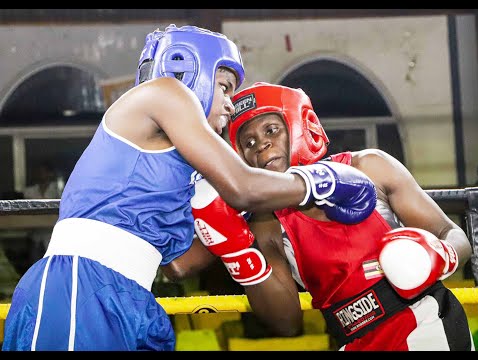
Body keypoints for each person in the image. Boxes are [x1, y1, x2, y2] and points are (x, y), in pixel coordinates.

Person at [2, 26, 376, 351]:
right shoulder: (164, 93)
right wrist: (322, 182)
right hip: (81, 285)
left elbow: (181, 264)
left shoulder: (183, 165)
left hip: (131, 295)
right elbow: (244, 187)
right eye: (225, 87)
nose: (230, 104)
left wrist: (236, 237)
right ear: (188, 69)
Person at [191, 82, 475, 351]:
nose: (261, 145)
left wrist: (438, 256)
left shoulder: (370, 167)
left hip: (425, 325)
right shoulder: (267, 223)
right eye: (249, 142)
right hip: (351, 341)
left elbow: (454, 235)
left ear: (299, 126)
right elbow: (286, 322)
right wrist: (238, 252)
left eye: (271, 130)